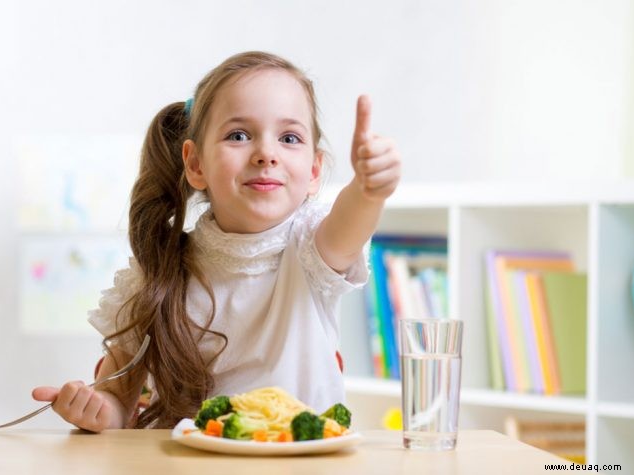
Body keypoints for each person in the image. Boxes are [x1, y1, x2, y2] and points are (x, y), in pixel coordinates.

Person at [32, 51, 401, 432]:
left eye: (289, 137)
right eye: (238, 135)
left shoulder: (312, 248)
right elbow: (117, 403)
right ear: (195, 164)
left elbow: (348, 226)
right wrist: (96, 409)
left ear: (313, 171)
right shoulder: (159, 270)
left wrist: (369, 190)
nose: (266, 154)